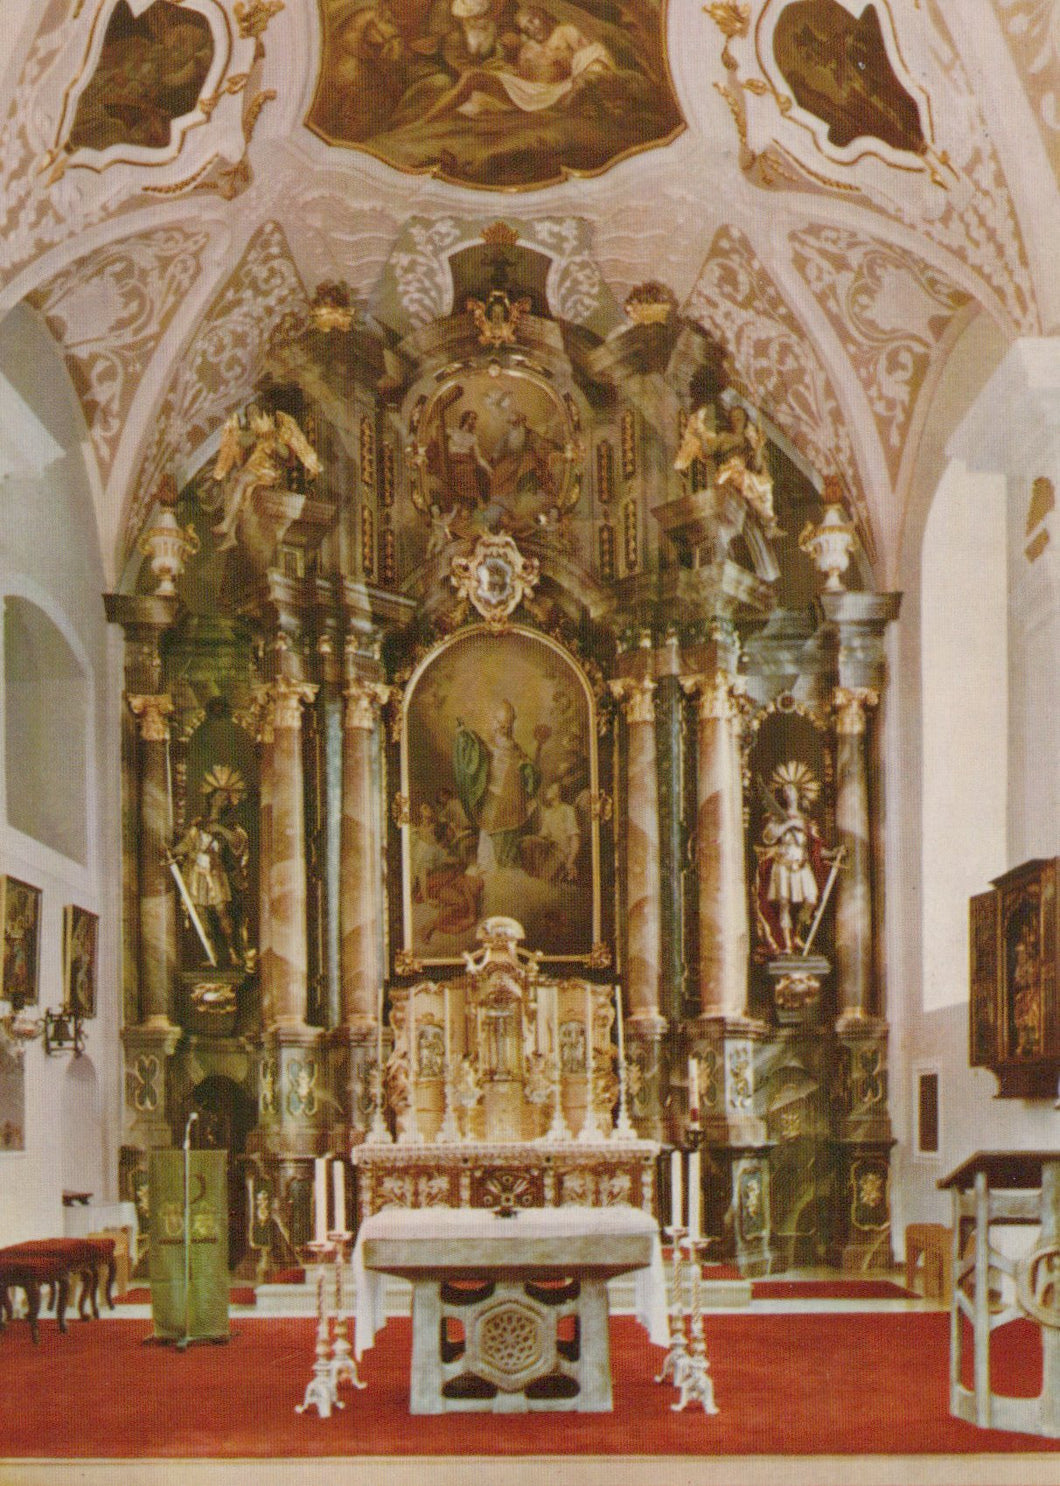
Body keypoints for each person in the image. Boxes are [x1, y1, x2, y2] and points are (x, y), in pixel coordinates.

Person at [170, 768, 251, 968]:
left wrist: (220, 829)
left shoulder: (230, 825)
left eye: (225, 798)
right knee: (200, 915)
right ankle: (211, 953)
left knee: (222, 913)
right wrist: (171, 853)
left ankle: (233, 952)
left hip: (216, 875)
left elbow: (239, 844)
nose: (221, 801)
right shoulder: (198, 825)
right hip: (196, 876)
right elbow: (186, 845)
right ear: (211, 798)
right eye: (218, 796)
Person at [754, 764, 833, 956]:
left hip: (801, 864)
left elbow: (816, 848)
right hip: (783, 864)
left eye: (792, 790)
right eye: (785, 790)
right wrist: (787, 824)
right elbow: (768, 838)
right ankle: (787, 945)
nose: (788, 794)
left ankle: (797, 933)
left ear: (799, 793)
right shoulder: (775, 817)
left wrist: (834, 854)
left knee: (811, 899)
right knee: (784, 905)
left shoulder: (806, 820)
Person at [454, 699, 541, 869]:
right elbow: (475, 752)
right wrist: (464, 735)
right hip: (492, 797)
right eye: (500, 723)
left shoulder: (516, 748)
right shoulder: (489, 744)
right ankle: (488, 870)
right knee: (488, 836)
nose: (503, 728)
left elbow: (529, 769)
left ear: (510, 725)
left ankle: (502, 872)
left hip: (511, 800)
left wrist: (529, 766)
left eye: (506, 725)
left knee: (506, 841)